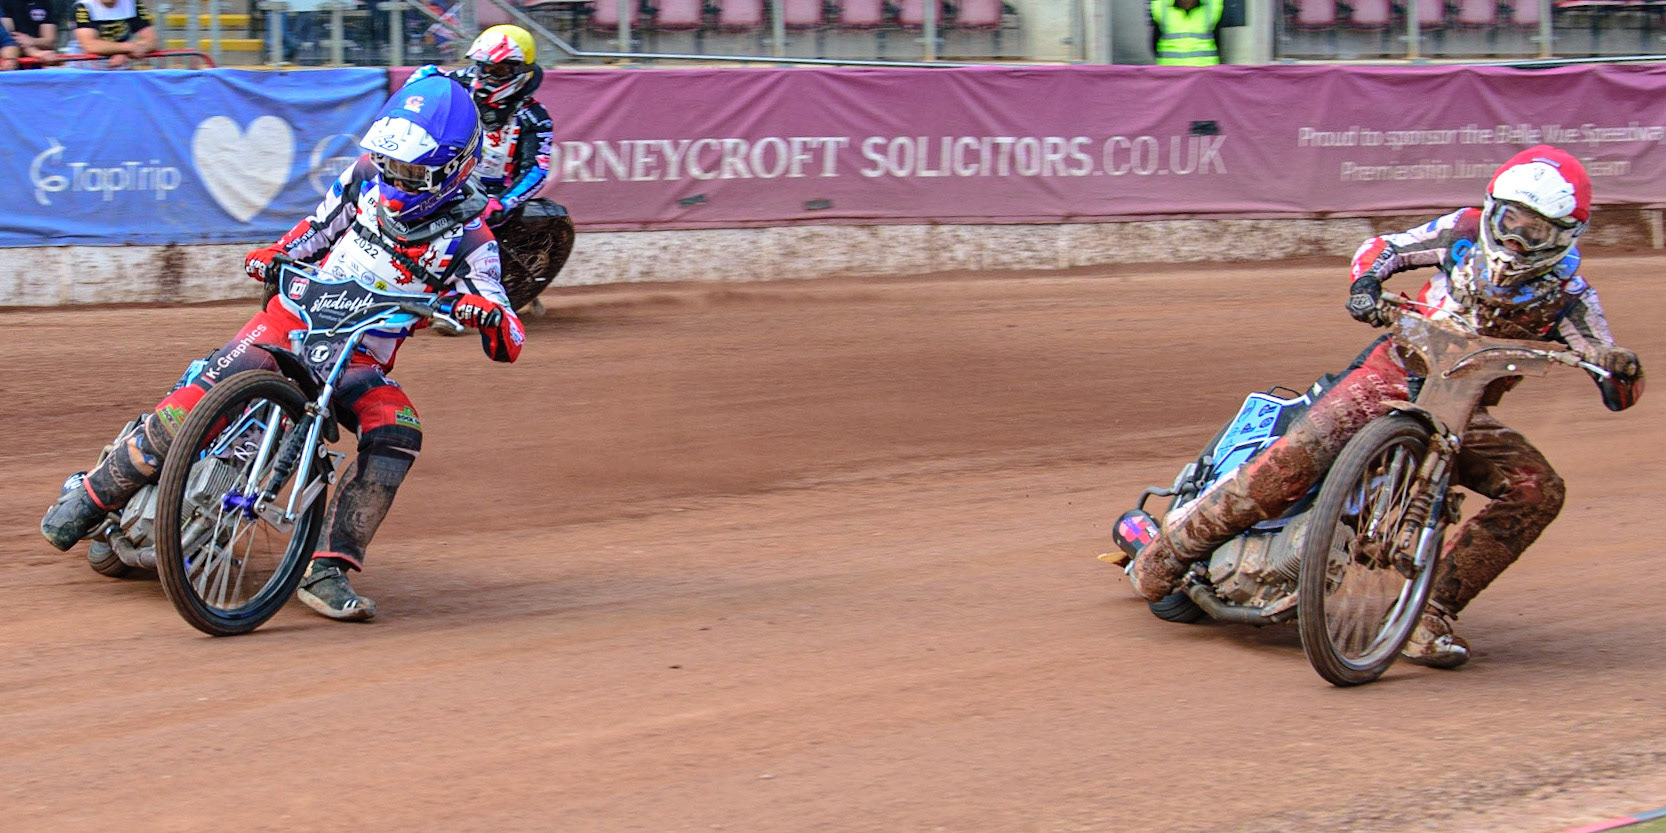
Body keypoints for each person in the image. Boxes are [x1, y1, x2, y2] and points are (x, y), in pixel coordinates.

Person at [1122, 145, 1644, 668]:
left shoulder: (1571, 296)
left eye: (1534, 232)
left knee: (1538, 491)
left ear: (1564, 237)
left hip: (1462, 415)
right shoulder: (1462, 231)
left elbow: (1617, 380)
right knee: (1288, 464)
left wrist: (1618, 368)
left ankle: (1431, 612)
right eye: (1509, 221)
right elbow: (1384, 248)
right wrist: (1366, 284)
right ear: (1490, 210)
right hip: (1392, 374)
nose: (1514, 240)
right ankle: (1165, 557)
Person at [40, 74, 526, 622]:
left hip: (356, 359)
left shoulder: (472, 241)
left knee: (399, 427)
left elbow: (509, 332)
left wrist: (485, 314)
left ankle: (326, 567)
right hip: (291, 320)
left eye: (411, 171)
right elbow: (313, 232)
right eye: (390, 163)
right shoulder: (365, 177)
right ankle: (97, 493)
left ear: (455, 168)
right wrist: (272, 252)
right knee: (206, 392)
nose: (394, 178)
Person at [434, 24, 552, 229]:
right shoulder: (461, 82)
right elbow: (426, 79)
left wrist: (503, 202)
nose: (488, 75)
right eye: (484, 67)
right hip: (441, 179)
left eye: (498, 69)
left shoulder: (535, 117)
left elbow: (536, 170)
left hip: (487, 200)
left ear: (521, 70)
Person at [70, 0, 155, 68]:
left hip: (119, 68)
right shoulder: (83, 6)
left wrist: (125, 53)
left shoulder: (132, 4)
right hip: (86, 69)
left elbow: (152, 41)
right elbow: (91, 45)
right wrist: (129, 48)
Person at [1150, 0, 1223, 66]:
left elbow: (1219, 42)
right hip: (1170, 73)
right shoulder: (1162, 8)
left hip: (1203, 74)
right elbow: (1155, 42)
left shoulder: (1211, 8)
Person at [2, 0, 59, 64]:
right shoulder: (4, 3)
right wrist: (35, 52)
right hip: (11, 63)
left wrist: (32, 41)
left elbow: (50, 41)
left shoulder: (45, 3)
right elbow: (8, 39)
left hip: (39, 63)